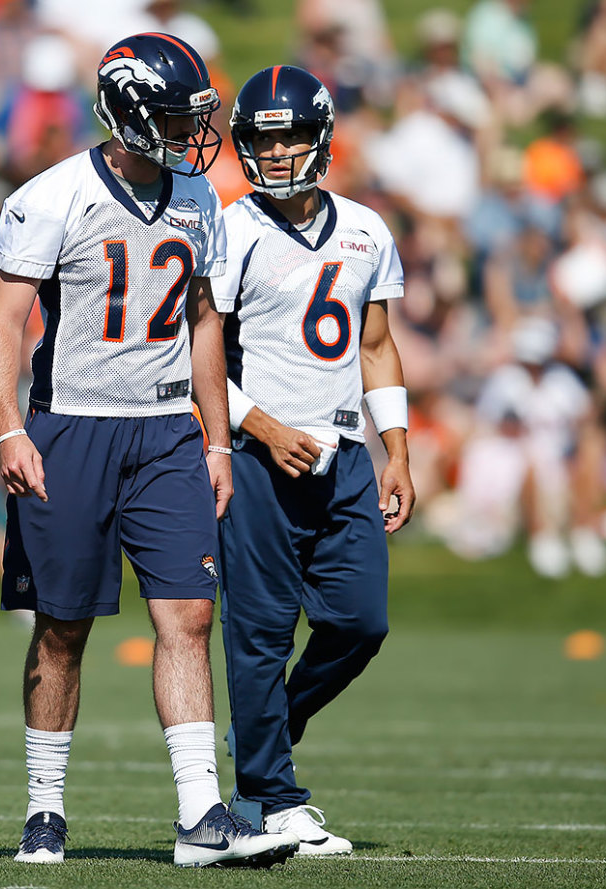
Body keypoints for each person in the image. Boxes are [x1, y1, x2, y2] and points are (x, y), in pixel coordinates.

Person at [0, 32, 299, 868]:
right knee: (63, 628)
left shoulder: (196, 197)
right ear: (125, 112)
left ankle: (201, 812)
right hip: (71, 426)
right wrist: (9, 426)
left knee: (189, 614)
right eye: (168, 114)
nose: (187, 133)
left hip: (165, 434)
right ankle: (44, 809)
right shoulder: (51, 197)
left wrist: (218, 439)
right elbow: (4, 320)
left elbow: (202, 324)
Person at [212, 65, 415, 855]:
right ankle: (270, 796)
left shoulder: (367, 227)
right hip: (263, 459)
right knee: (258, 633)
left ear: (324, 136)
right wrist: (256, 424)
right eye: (264, 136)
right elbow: (197, 357)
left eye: (293, 133)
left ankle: (271, 729)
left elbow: (375, 344)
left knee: (361, 622)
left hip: (345, 454)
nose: (280, 149)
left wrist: (396, 448)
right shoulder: (230, 230)